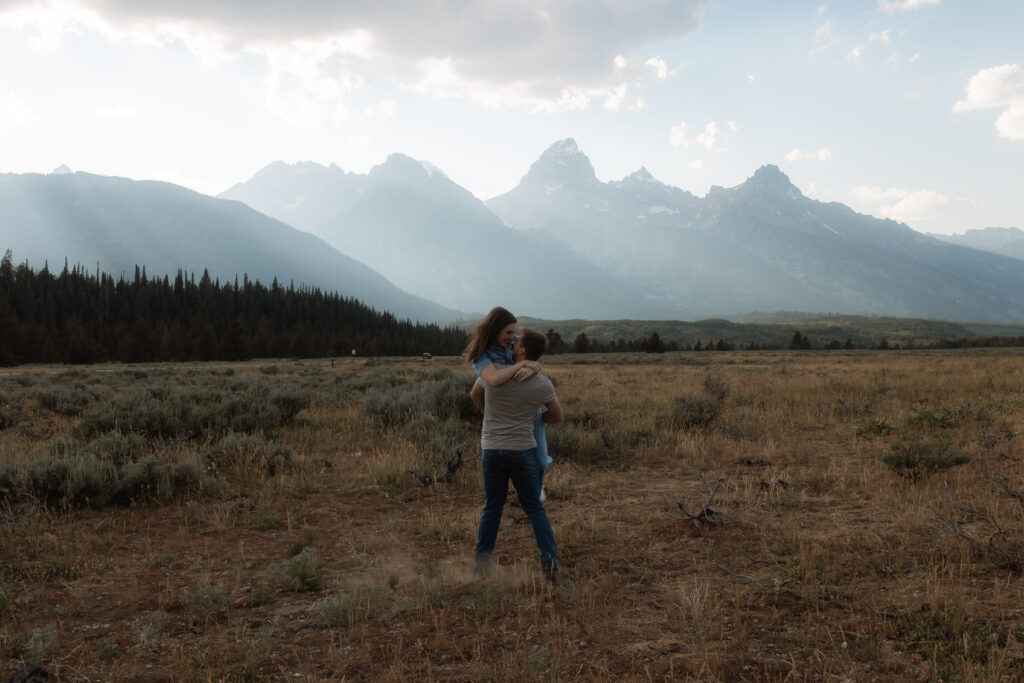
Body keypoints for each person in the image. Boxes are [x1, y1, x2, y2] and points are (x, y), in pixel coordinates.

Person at [471, 327, 563, 581]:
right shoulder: (542, 383)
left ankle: (481, 567)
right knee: (534, 508)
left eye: (517, 340)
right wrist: (534, 420)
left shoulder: (494, 372)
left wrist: (490, 417)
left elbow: (475, 394)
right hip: (522, 451)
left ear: (522, 350)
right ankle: (551, 566)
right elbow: (557, 416)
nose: (513, 341)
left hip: (491, 449)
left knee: (492, 508)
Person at [465, 307, 552, 497]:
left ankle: (536, 489)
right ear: (495, 329)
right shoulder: (483, 358)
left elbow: (529, 353)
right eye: (509, 332)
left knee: (543, 461)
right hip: (504, 415)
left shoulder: (513, 342)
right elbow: (493, 380)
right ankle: (531, 496)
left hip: (527, 410)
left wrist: (533, 367)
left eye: (514, 333)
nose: (513, 337)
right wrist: (522, 365)